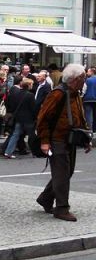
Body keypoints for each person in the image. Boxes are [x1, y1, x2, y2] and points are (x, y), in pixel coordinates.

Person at [36, 63, 92, 222]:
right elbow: (43, 118)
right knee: (62, 174)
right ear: (76, 79)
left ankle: (45, 198)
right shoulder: (58, 94)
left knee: (67, 172)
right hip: (57, 140)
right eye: (83, 78)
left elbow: (80, 117)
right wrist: (45, 141)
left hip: (70, 139)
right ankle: (61, 208)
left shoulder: (75, 94)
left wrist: (86, 138)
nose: (85, 80)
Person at [2, 77, 36, 159]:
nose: (32, 85)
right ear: (28, 85)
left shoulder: (17, 93)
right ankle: (35, 152)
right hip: (28, 119)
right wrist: (35, 117)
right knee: (32, 136)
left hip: (18, 117)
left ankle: (8, 152)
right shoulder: (30, 95)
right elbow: (33, 108)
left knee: (15, 135)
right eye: (31, 84)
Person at [82, 66, 96, 132]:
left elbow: (84, 90)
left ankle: (89, 130)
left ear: (92, 72)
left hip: (87, 99)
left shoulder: (87, 80)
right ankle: (95, 130)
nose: (87, 73)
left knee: (88, 115)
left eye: (88, 72)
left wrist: (81, 97)